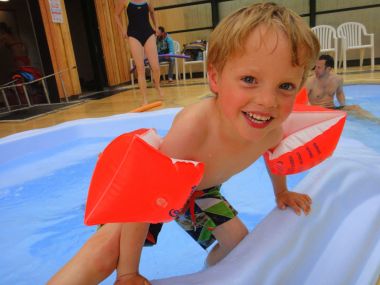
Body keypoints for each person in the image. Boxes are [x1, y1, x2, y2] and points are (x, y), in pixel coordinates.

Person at [48, 3, 319, 285]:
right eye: (249, 80)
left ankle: (211, 277)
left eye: (285, 86)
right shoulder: (194, 128)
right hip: (152, 182)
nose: (267, 101)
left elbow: (274, 156)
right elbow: (145, 193)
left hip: (199, 190)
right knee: (107, 252)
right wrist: (128, 272)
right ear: (215, 77)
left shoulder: (272, 131)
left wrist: (282, 193)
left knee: (240, 247)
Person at [115, 0, 163, 105]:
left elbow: (152, 12)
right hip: (133, 34)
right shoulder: (124, 1)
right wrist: (123, 30)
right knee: (140, 68)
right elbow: (116, 15)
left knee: (156, 67)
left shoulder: (148, 1)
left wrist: (156, 26)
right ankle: (144, 98)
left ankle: (157, 84)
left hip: (148, 33)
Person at [306, 54, 380, 122]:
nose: (315, 70)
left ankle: (376, 121)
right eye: (315, 66)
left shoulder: (337, 79)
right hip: (318, 112)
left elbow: (340, 93)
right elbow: (302, 101)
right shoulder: (310, 82)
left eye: (319, 67)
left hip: (332, 109)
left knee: (356, 108)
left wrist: (343, 105)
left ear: (328, 69)